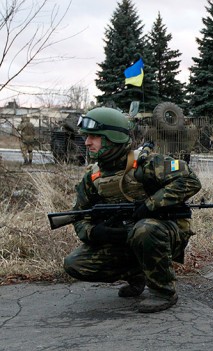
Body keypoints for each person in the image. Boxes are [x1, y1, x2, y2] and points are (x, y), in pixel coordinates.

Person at [62, 107, 202, 313]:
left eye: (94, 137)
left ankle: (164, 291)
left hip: (164, 233)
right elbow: (79, 215)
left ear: (111, 138)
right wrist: (95, 232)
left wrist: (150, 204)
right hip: (126, 237)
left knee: (145, 229)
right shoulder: (93, 177)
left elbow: (190, 181)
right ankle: (138, 274)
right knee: (74, 263)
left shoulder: (147, 163)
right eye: (86, 137)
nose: (87, 142)